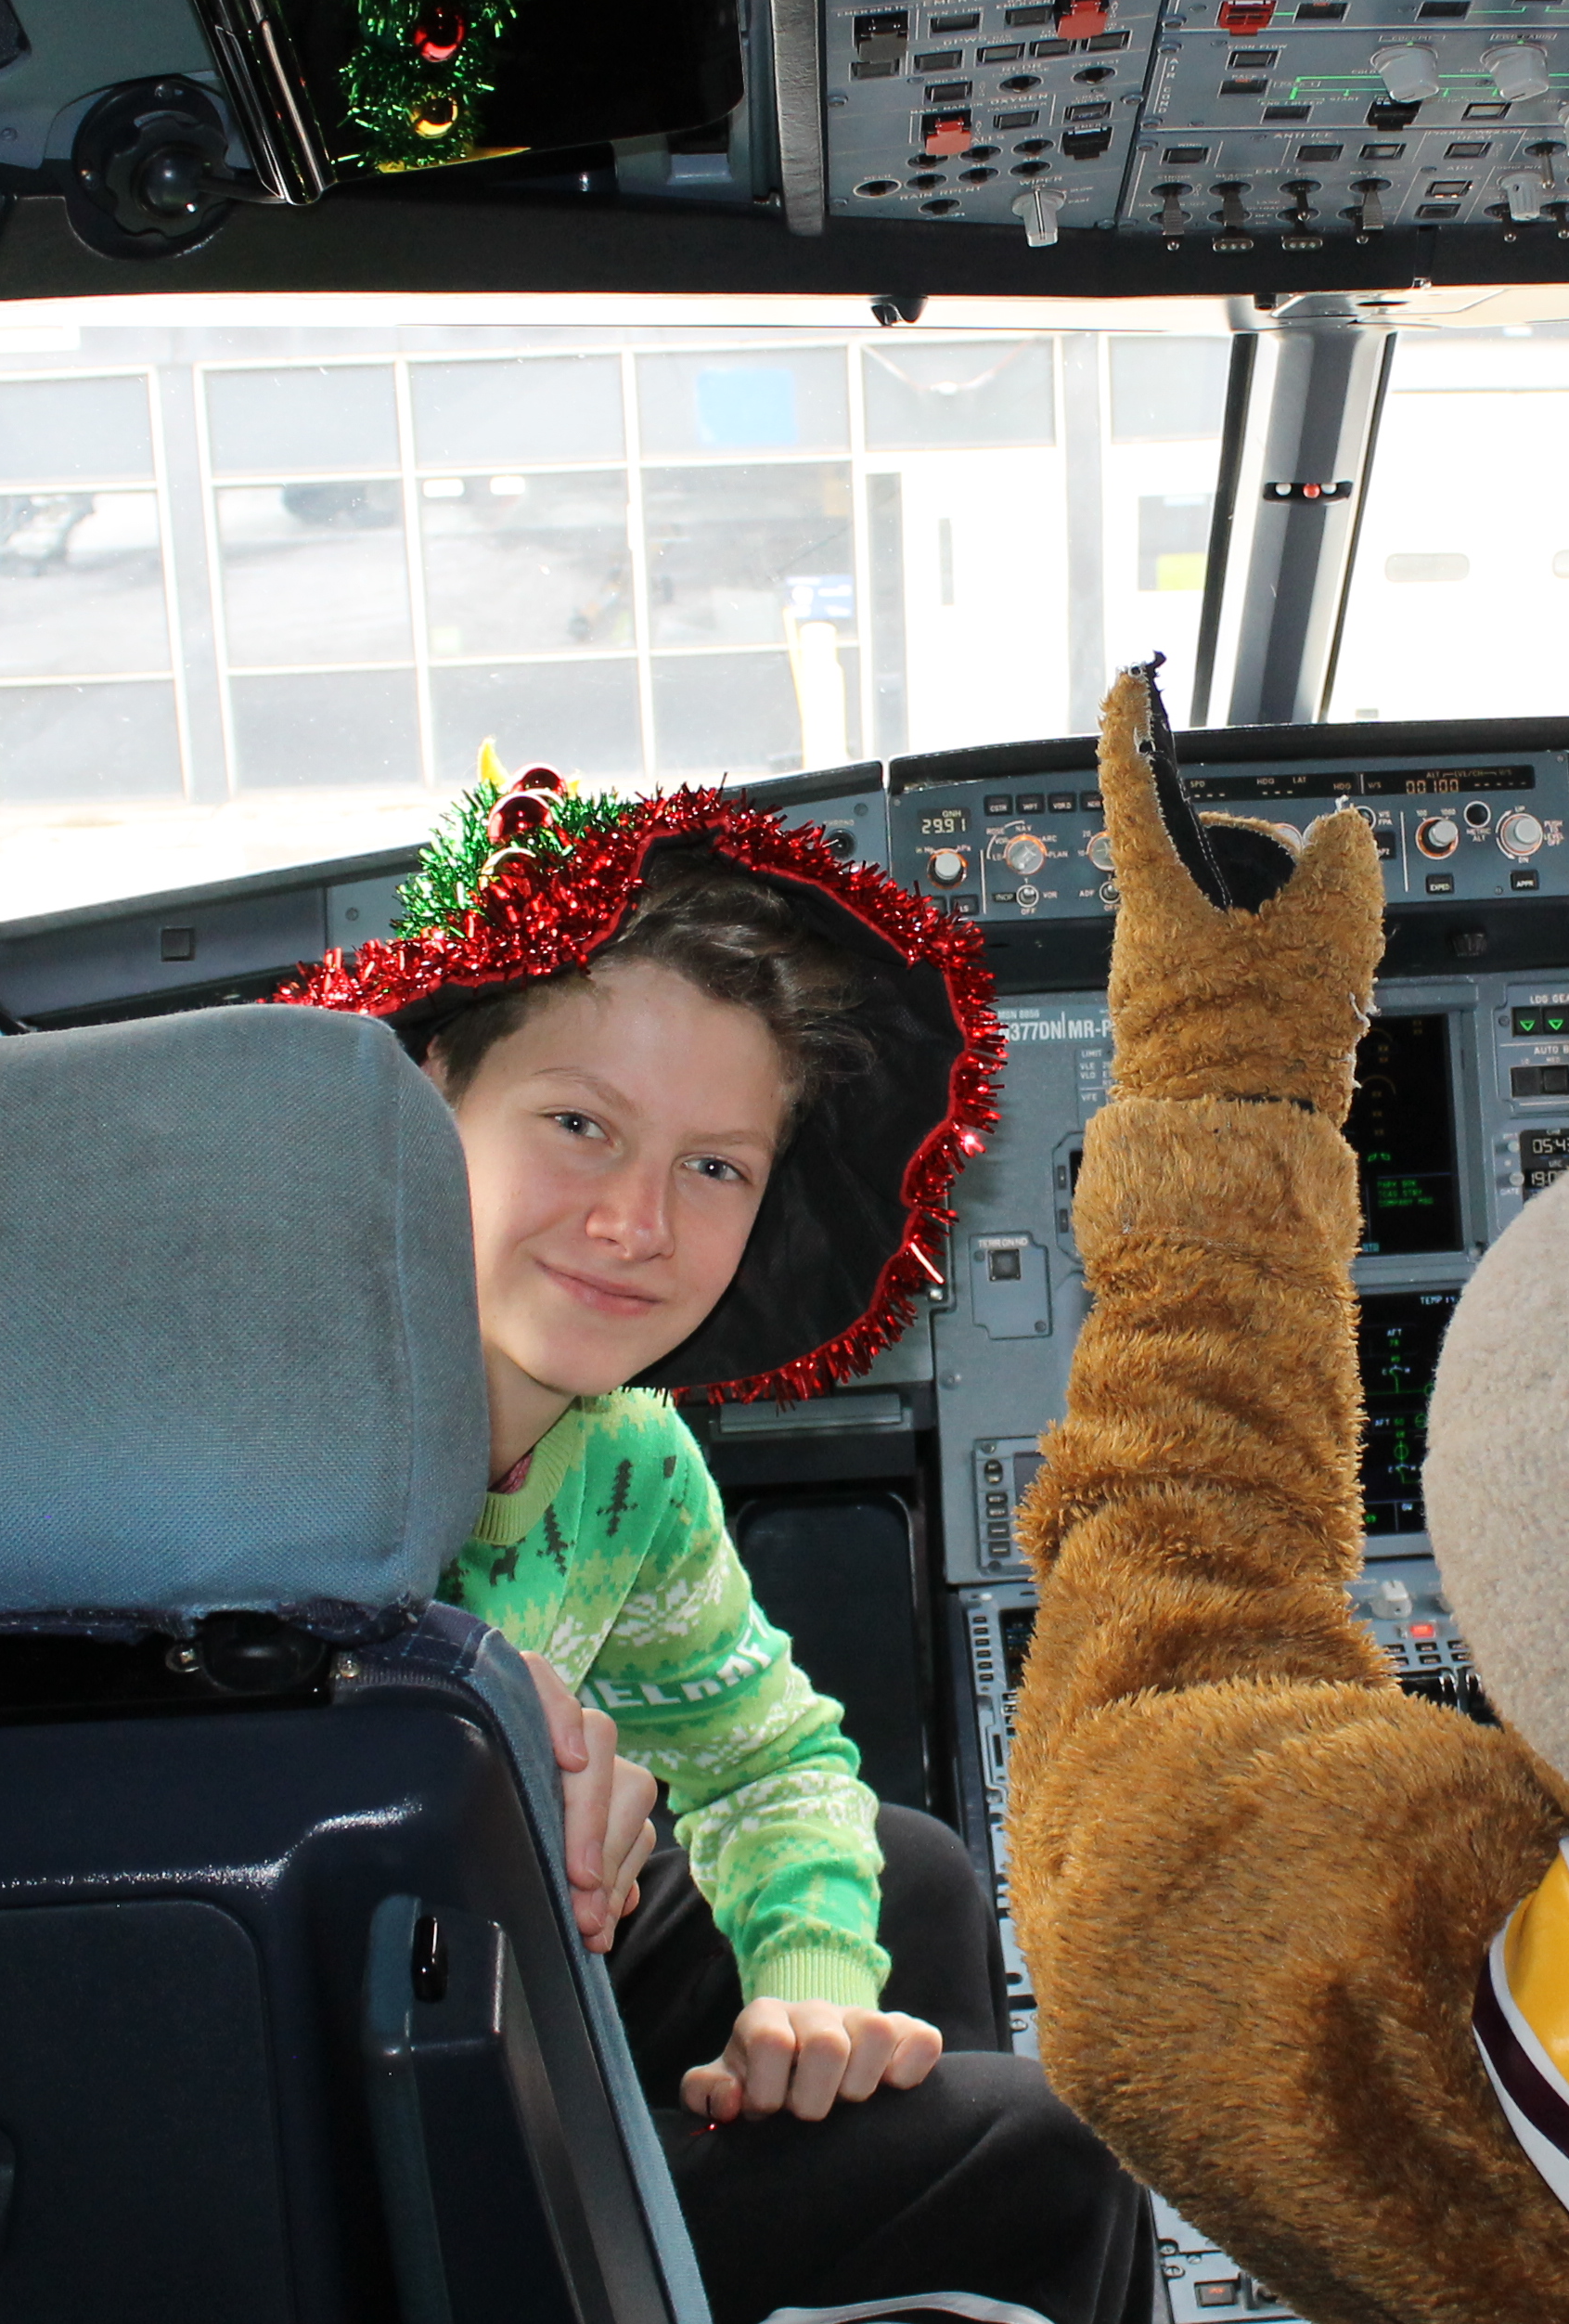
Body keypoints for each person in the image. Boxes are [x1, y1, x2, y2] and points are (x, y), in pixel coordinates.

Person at [284, 770, 1149, 2324]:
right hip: (344, 2106)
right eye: (579, 1125)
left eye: (713, 1166)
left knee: (911, 1875)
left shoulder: (625, 1460)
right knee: (1055, 2156)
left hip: (507, 1975)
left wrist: (813, 1993)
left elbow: (764, 1762)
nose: (637, 1222)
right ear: (423, 1098)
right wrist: (499, 1779)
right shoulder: (274, 1420)